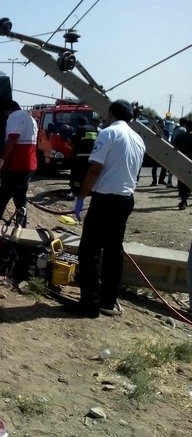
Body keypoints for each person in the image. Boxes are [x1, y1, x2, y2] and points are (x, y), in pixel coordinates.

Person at [71, 100, 145, 317]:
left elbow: (95, 169)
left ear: (111, 113)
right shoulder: (138, 139)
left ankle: (89, 303)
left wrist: (80, 197)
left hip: (105, 200)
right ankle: (108, 302)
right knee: (114, 252)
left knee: (89, 251)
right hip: (125, 199)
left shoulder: (108, 133)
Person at [0, 100, 37, 225]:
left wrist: (1, 160)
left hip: (16, 165)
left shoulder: (14, 117)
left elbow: (12, 140)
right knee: (20, 197)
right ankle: (21, 225)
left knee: (2, 197)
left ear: (6, 110)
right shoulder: (30, 118)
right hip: (29, 164)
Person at [69, 116, 99, 194]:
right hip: (93, 156)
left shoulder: (81, 129)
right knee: (89, 173)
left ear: (79, 123)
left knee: (78, 173)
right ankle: (90, 189)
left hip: (81, 156)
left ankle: (76, 189)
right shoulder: (94, 129)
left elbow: (74, 141)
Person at [174, 119, 192, 209]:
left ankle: (183, 200)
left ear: (186, 127)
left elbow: (174, 146)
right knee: (189, 181)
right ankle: (184, 200)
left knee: (181, 181)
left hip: (181, 161)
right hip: (190, 162)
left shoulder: (181, 136)